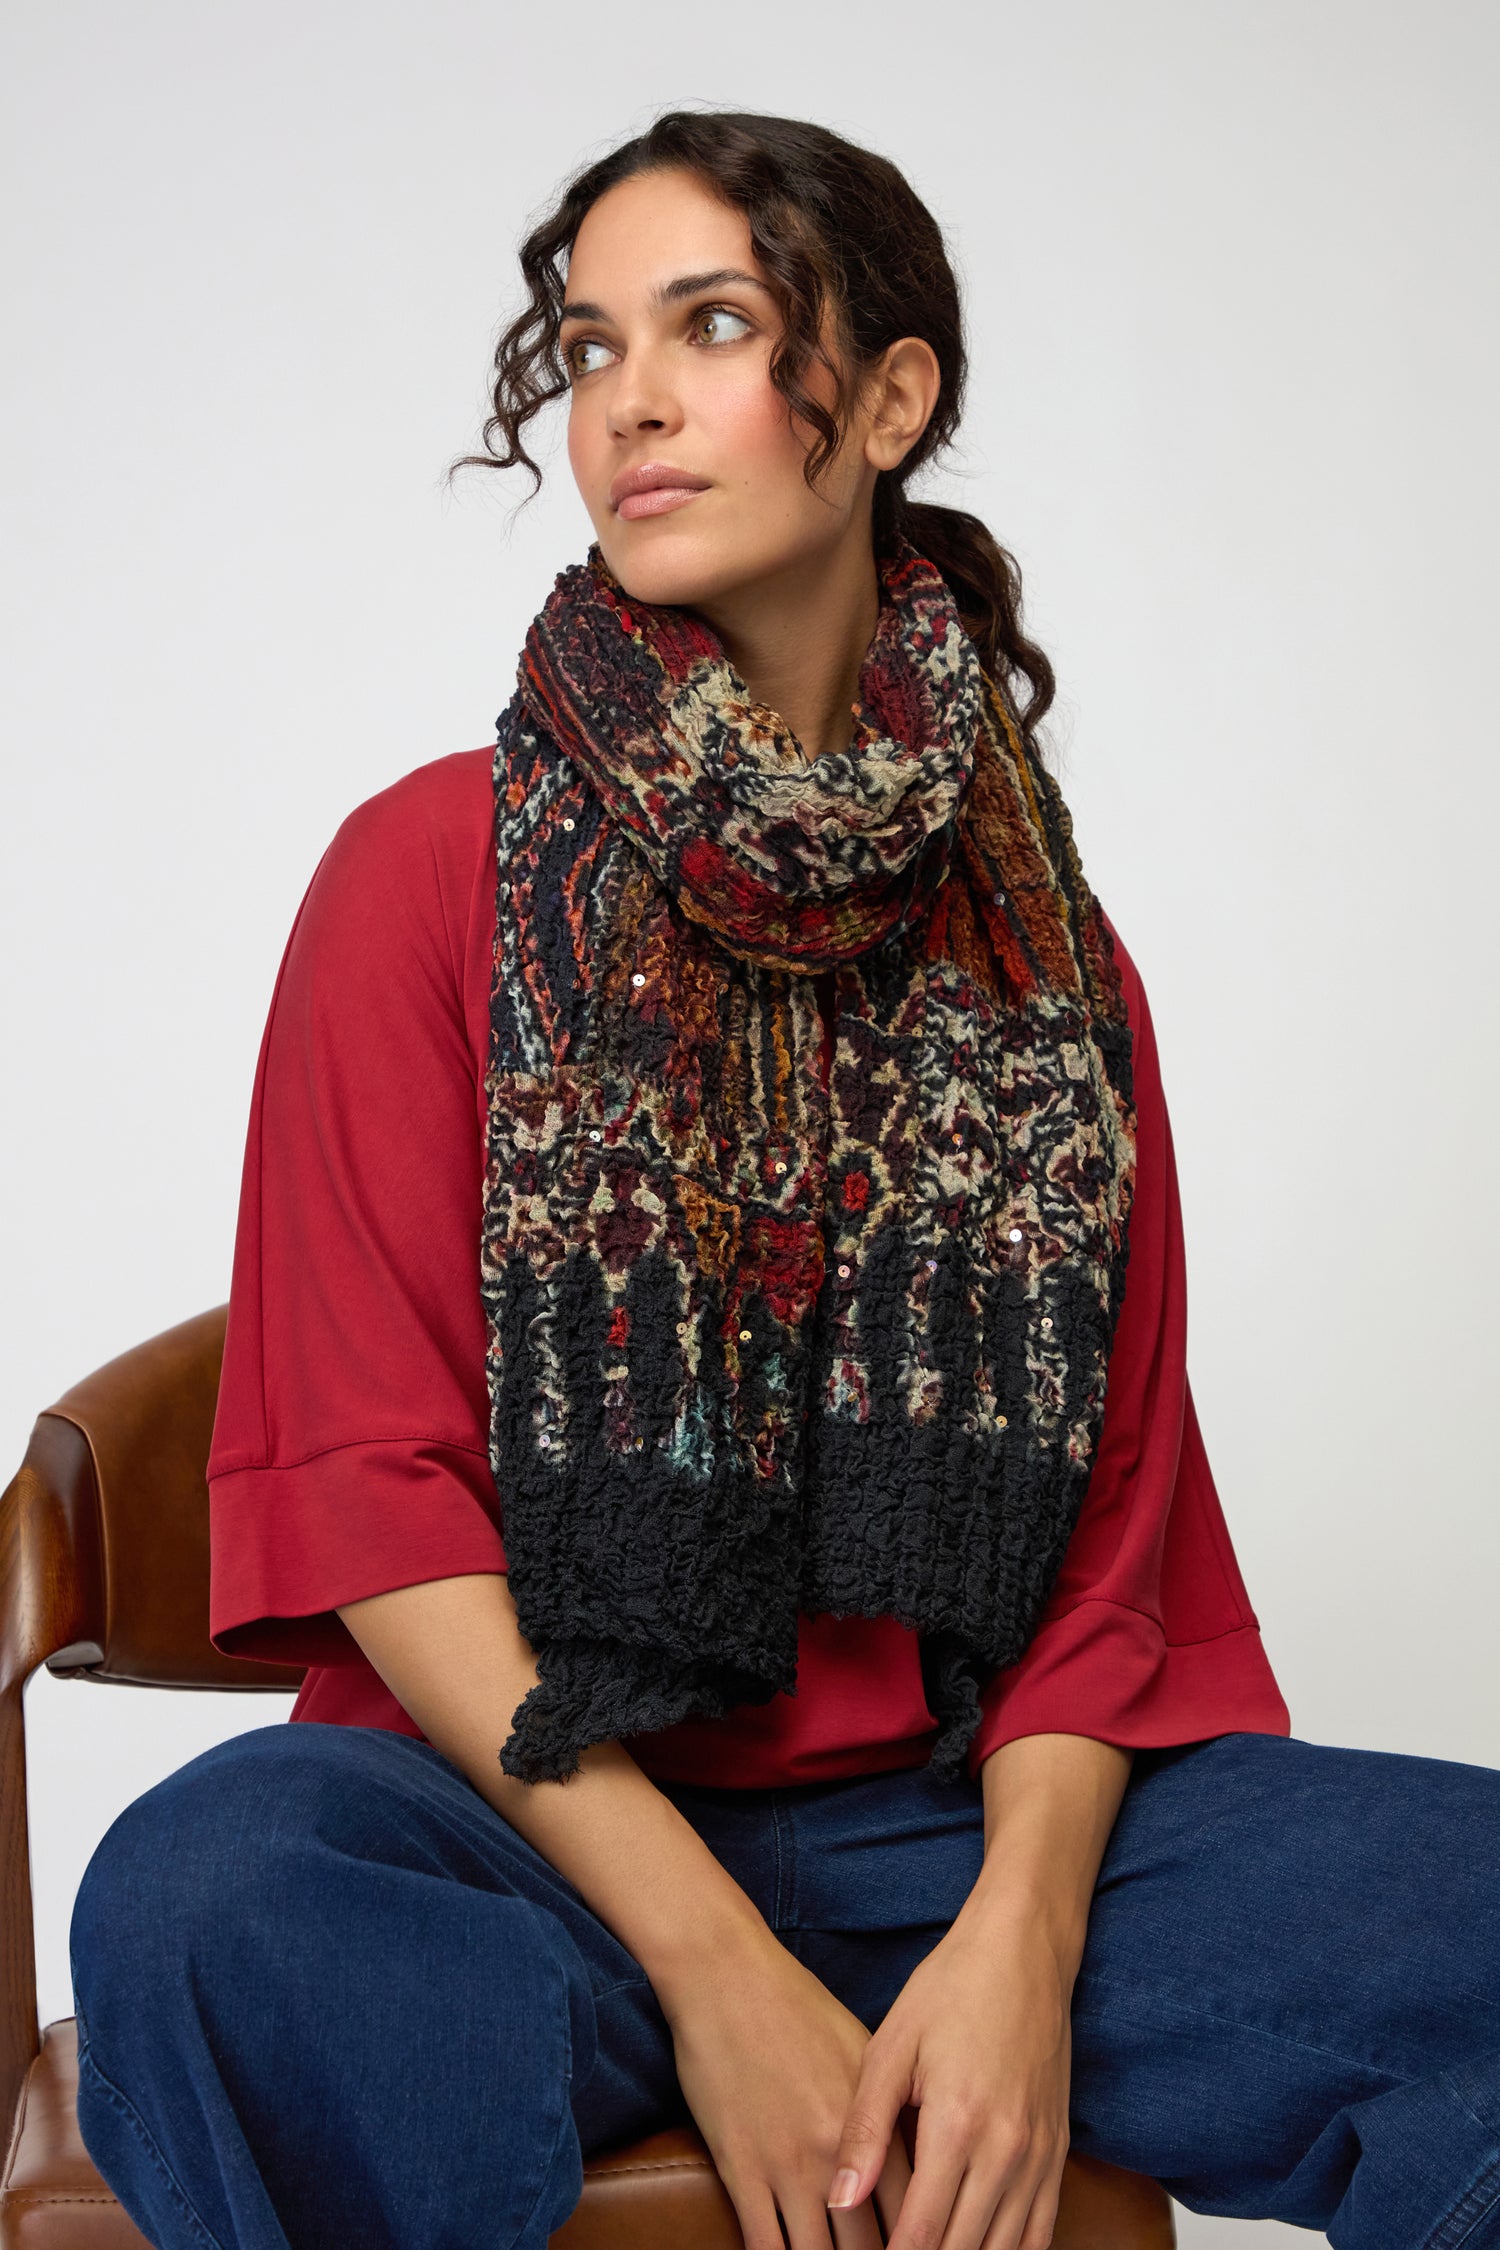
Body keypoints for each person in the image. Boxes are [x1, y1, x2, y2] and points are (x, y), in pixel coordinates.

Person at [68, 110, 1500, 2250]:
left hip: (944, 1834)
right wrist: (720, 1973)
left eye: (711, 326)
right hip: (515, 1830)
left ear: (892, 394)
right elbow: (369, 1489)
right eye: (588, 346)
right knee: (212, 1897)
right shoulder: (426, 878)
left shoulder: (1046, 954)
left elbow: (1105, 1559)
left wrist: (1015, 1954)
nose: (627, 398)